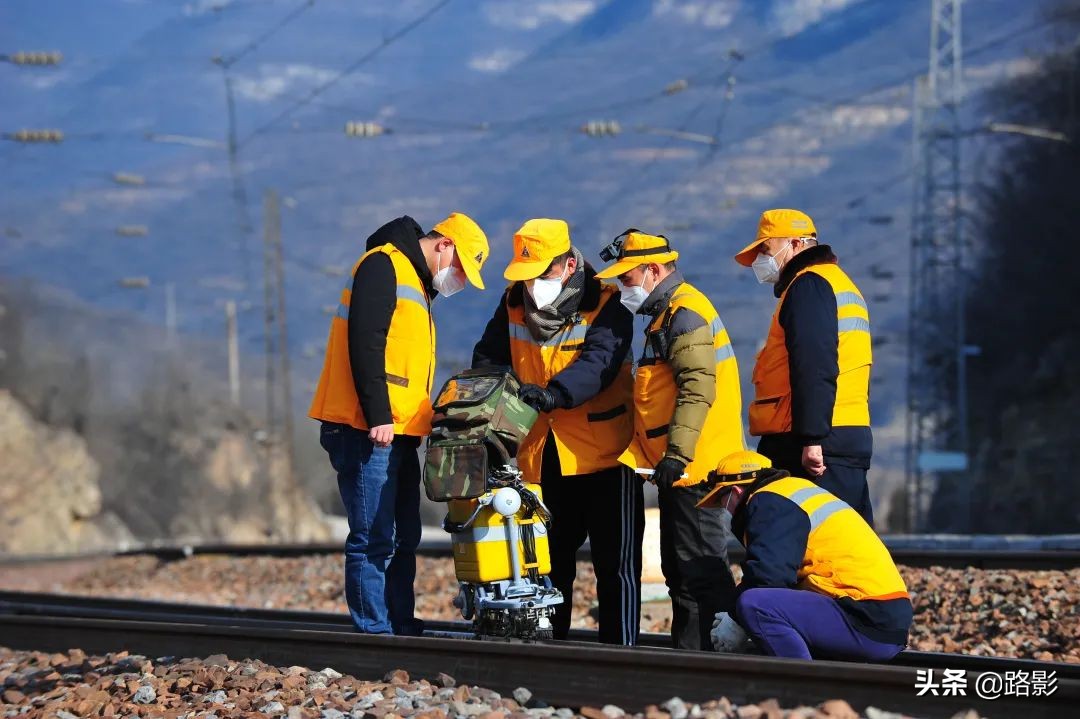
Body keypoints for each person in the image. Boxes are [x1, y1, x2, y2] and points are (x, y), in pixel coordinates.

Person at [309, 212, 489, 634]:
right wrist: (378, 415)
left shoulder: (418, 283)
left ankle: (399, 623)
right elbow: (365, 343)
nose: (460, 280)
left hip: (401, 432)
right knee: (374, 536)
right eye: (461, 268)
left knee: (404, 534)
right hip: (368, 429)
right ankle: (375, 631)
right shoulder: (382, 265)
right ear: (444, 244)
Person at [471, 218, 642, 645]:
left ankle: (622, 655)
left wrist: (554, 394)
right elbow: (490, 359)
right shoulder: (513, 303)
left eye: (540, 273)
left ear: (568, 265)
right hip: (542, 456)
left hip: (606, 457)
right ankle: (552, 652)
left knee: (615, 567)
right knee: (549, 565)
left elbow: (599, 364)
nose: (532, 285)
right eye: (526, 275)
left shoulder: (608, 304)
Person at [595, 229, 746, 651]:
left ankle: (714, 662)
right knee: (682, 572)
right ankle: (692, 660)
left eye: (627, 278)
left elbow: (697, 388)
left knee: (699, 573)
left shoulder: (685, 314)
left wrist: (677, 455)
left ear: (654, 269)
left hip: (695, 468)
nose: (622, 286)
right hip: (683, 467)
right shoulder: (667, 315)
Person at [697, 450, 912, 662]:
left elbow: (768, 577)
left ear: (735, 492)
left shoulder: (769, 501)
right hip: (882, 617)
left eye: (722, 502)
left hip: (865, 618)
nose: (725, 511)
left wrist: (734, 618)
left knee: (754, 604)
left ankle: (803, 680)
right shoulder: (792, 491)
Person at [734, 209, 875, 524]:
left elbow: (814, 364)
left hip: (815, 441)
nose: (761, 260)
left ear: (796, 243)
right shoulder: (838, 284)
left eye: (766, 249)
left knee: (808, 537)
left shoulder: (809, 286)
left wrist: (812, 439)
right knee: (844, 536)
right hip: (845, 431)